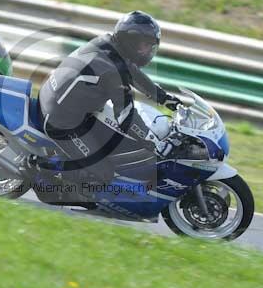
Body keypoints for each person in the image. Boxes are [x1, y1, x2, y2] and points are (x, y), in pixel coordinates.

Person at [38, 10, 182, 188]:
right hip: (61, 121)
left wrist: (164, 98)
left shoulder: (108, 44)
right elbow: (126, 117)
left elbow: (133, 72)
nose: (147, 51)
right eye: (144, 45)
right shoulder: (113, 72)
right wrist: (155, 143)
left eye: (150, 46)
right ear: (131, 41)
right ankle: (42, 167)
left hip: (56, 98)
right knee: (104, 174)